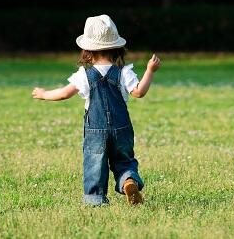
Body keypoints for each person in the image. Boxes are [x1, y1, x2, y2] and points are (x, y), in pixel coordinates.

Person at [32, 14, 161, 206]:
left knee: (94, 165)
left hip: (95, 130)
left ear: (87, 49)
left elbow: (63, 94)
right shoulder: (124, 71)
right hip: (121, 128)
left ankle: (95, 200)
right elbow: (139, 92)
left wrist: (43, 94)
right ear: (116, 47)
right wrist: (150, 70)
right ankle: (128, 181)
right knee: (124, 160)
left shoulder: (84, 74)